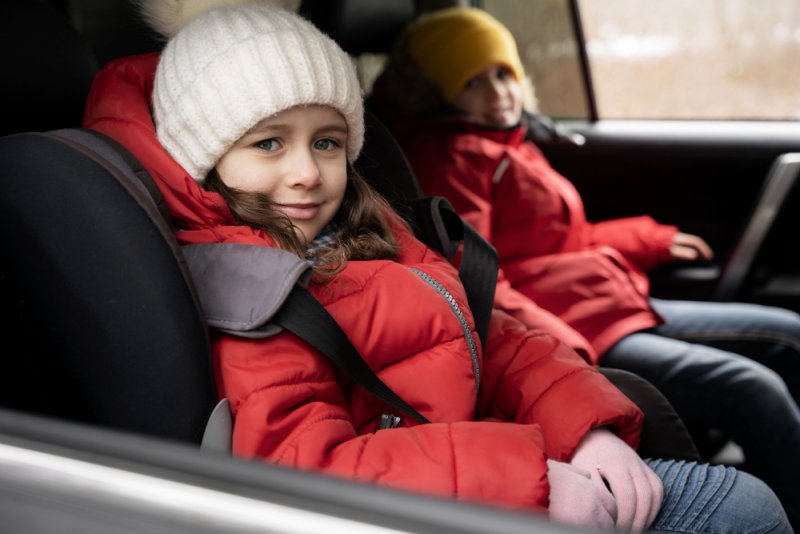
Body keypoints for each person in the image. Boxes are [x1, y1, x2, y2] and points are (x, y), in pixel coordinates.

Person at [82, 1, 791, 532]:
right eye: (268, 144)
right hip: (457, 500)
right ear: (208, 157)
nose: (306, 172)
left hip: (492, 461)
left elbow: (495, 333)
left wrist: (588, 426)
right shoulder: (250, 295)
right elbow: (306, 470)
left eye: (327, 142)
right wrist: (531, 479)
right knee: (746, 507)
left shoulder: (363, 224)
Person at [370, 6, 800, 528]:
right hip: (578, 325)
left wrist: (651, 239)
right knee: (752, 388)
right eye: (473, 83)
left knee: (787, 333)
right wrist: (561, 340)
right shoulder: (454, 159)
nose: (499, 92)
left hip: (605, 299)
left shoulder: (511, 145)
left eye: (503, 73)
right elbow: (474, 278)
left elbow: (565, 241)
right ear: (439, 96)